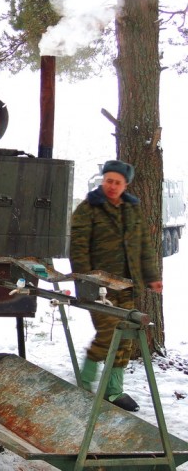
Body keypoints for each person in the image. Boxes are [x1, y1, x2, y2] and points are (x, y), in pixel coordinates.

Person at [70, 159, 162, 412]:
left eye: (117, 182)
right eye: (108, 180)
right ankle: (85, 382)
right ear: (103, 180)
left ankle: (113, 391)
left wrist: (152, 276)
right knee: (109, 333)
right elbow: (78, 249)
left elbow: (144, 246)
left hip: (127, 285)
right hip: (99, 287)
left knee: (125, 338)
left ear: (126, 185)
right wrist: (86, 280)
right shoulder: (88, 209)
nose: (112, 186)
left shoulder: (132, 210)